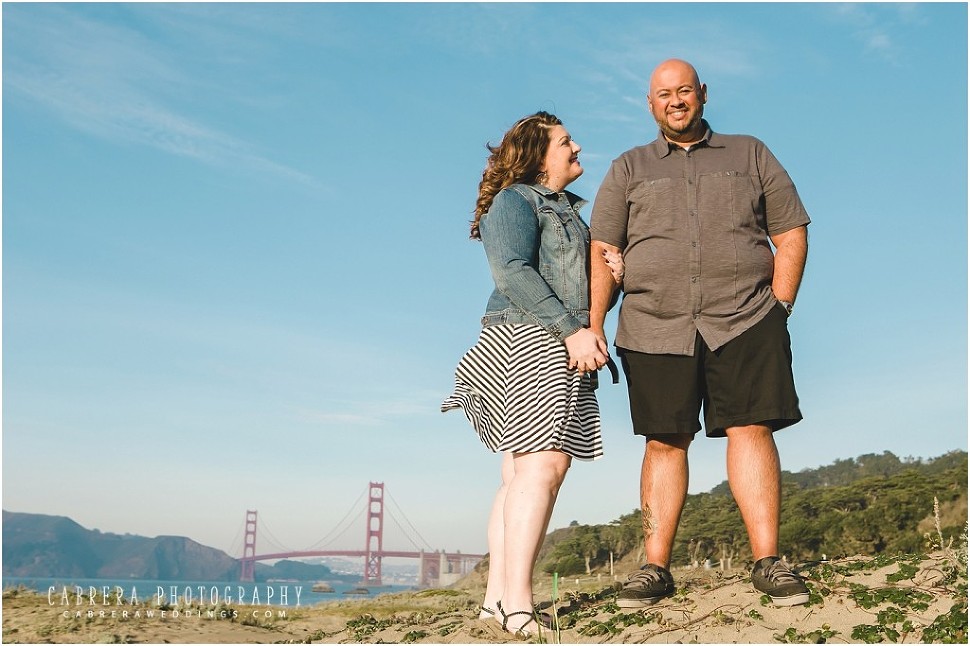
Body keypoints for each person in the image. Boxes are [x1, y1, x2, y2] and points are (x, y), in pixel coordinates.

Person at [588, 59, 811, 608]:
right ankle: (655, 570)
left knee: (751, 428)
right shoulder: (627, 168)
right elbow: (601, 252)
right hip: (652, 326)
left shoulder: (750, 152)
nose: (675, 101)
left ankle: (768, 562)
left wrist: (779, 305)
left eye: (683, 90)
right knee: (664, 440)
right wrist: (593, 324)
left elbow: (791, 231)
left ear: (702, 94)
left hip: (746, 319)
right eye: (663, 94)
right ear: (650, 103)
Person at [442, 111, 622, 636]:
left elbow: (574, 280)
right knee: (543, 469)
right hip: (530, 337)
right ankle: (518, 604)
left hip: (548, 336)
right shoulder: (516, 200)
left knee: (522, 475)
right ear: (539, 156)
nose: (578, 147)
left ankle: (498, 599)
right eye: (566, 142)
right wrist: (571, 330)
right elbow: (512, 270)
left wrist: (616, 275)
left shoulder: (570, 213)